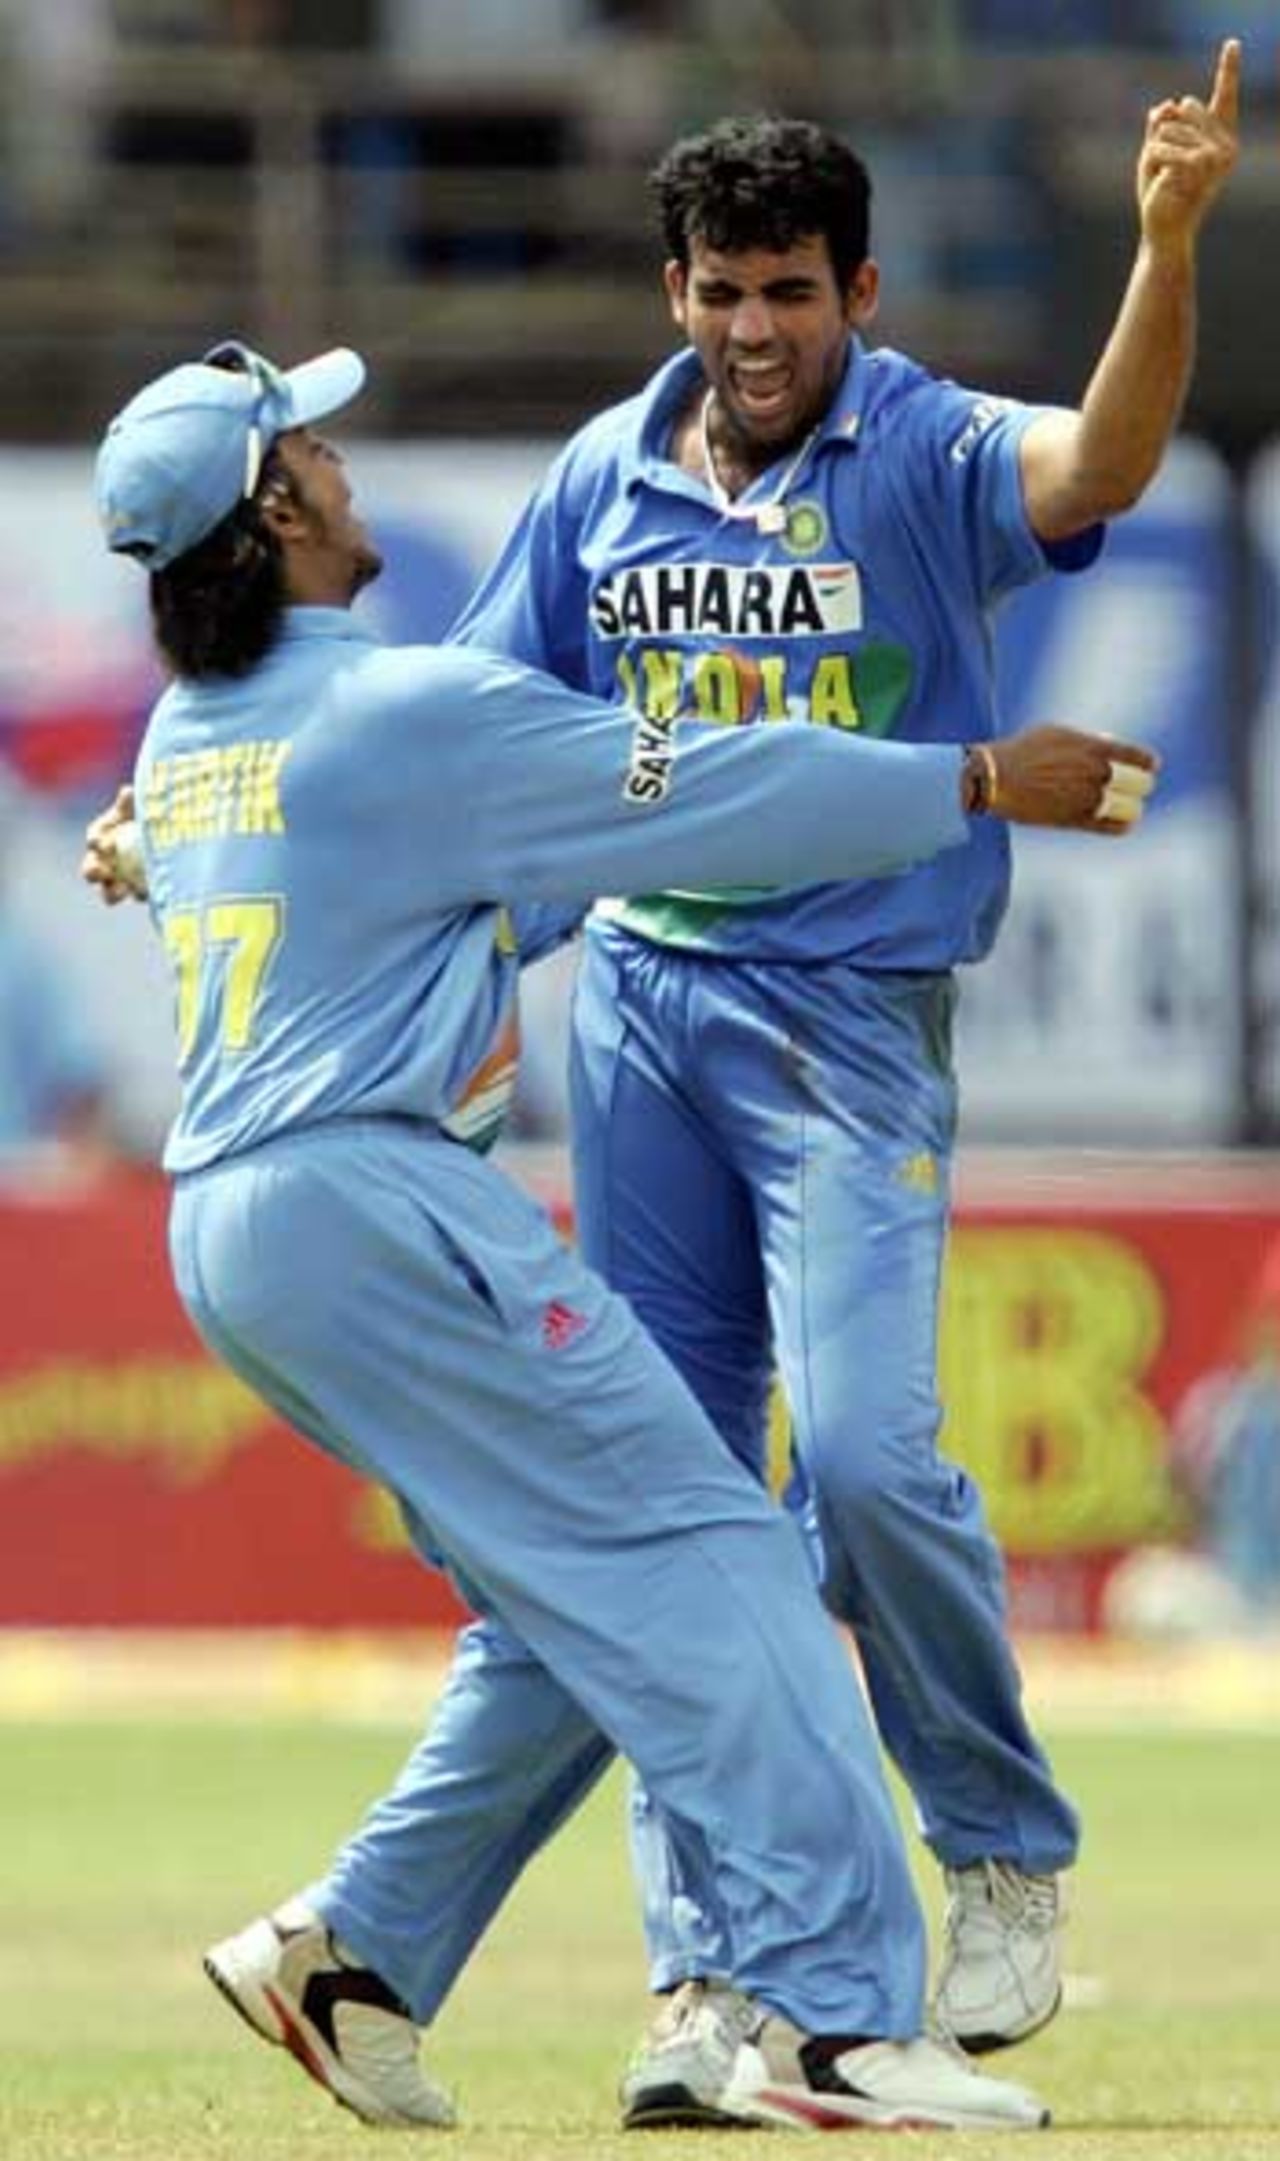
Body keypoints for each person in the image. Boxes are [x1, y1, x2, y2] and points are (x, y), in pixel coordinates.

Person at [85, 340, 1155, 2131]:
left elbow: (521, 884)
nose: (347, 468)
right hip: (370, 1198)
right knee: (718, 1548)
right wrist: (970, 779)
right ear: (273, 509)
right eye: (316, 449)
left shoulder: (195, 735)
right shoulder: (401, 712)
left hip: (239, 1233)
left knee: (563, 1609)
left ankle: (357, 1948)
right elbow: (721, 789)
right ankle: (827, 2016)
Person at [443, 50, 1240, 2090]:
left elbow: (1105, 474)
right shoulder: (597, 486)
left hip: (847, 1026)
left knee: (869, 1463)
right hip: (638, 1023)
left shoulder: (918, 449)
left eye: (789, 291)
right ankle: (707, 1978)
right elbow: (470, 743)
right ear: (676, 294)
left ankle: (992, 1844)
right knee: (674, 1511)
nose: (752, 327)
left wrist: (1160, 250)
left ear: (858, 296)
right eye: (720, 290)